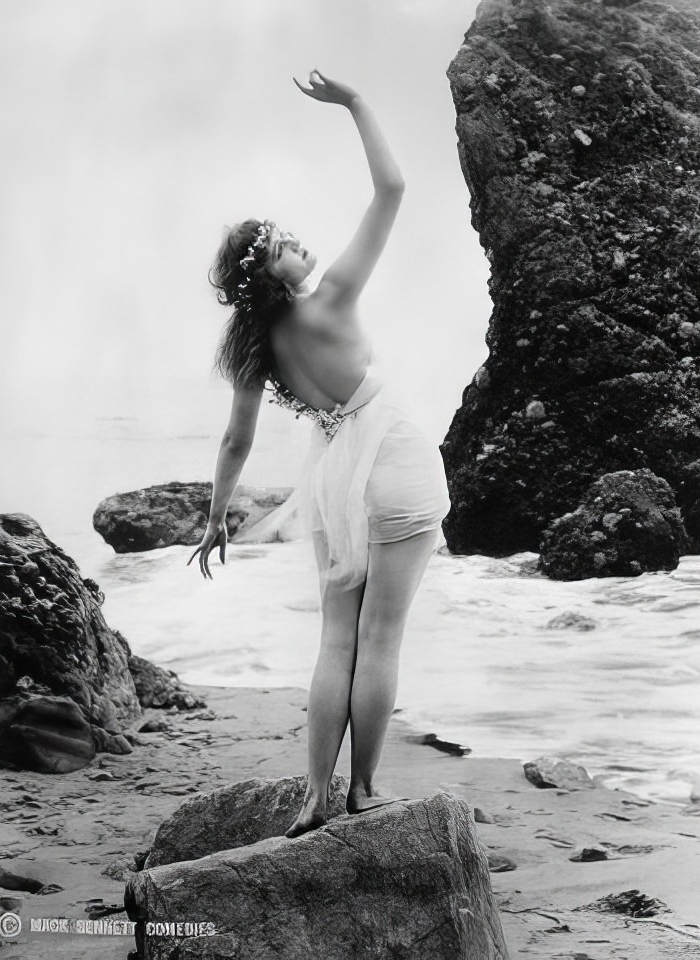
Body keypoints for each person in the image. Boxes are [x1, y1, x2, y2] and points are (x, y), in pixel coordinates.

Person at [188, 70, 450, 838]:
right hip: (391, 456)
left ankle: (313, 797)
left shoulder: (254, 347)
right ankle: (362, 790)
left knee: (337, 636)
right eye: (285, 245)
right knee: (380, 637)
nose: (301, 244)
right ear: (271, 274)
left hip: (335, 473)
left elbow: (236, 438)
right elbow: (393, 189)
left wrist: (215, 517)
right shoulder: (331, 296)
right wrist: (359, 102)